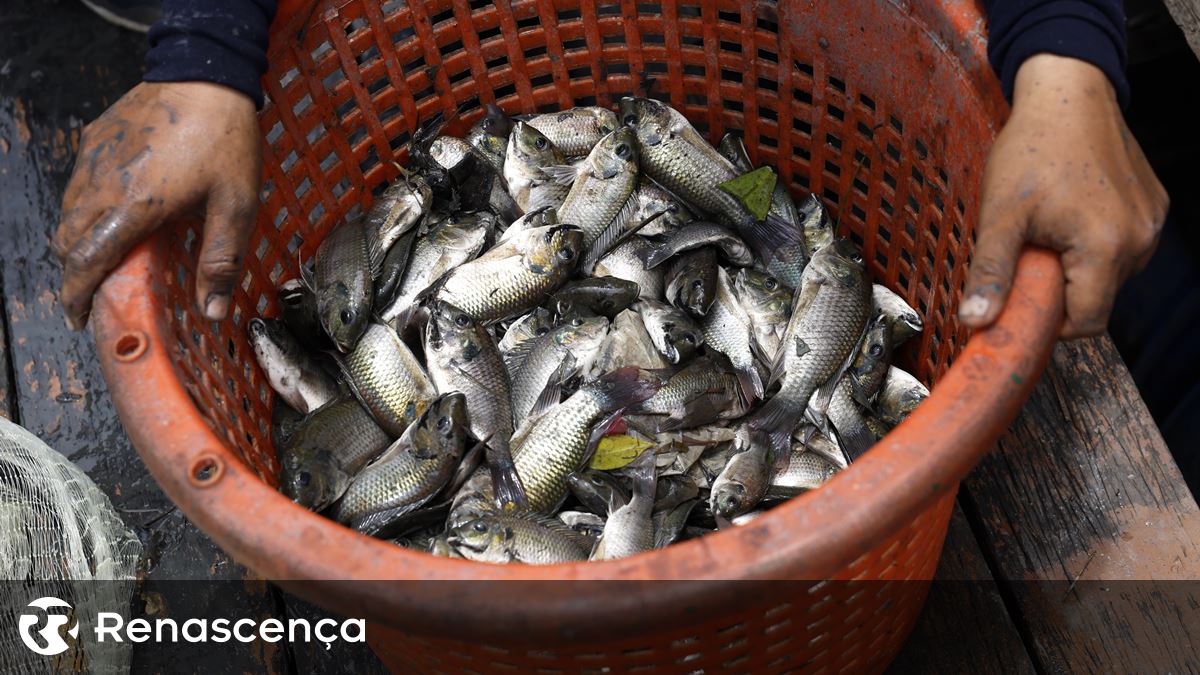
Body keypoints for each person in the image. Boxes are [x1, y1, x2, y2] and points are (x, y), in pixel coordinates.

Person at [52, 0, 1168, 339]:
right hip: (476, 46)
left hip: (871, 63)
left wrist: (1070, 60)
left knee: (1142, 320)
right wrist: (206, 53)